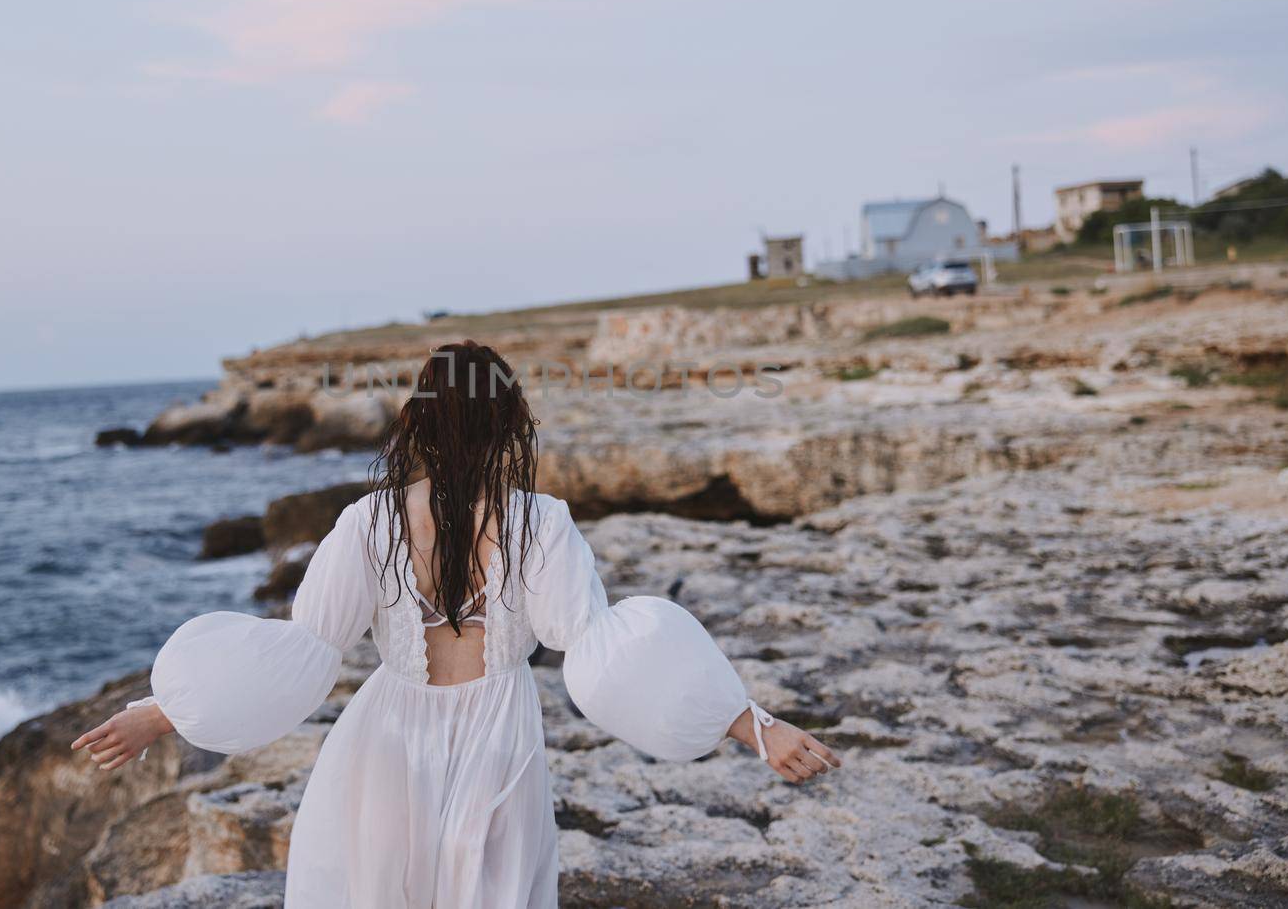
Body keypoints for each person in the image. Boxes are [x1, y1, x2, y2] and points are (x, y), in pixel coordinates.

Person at [72, 341, 840, 907]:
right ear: (510, 422)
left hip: (388, 739)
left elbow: (297, 651)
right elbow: (607, 649)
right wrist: (753, 724)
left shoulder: (368, 521)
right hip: (498, 738)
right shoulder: (540, 521)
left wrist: (159, 711)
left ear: (418, 420)